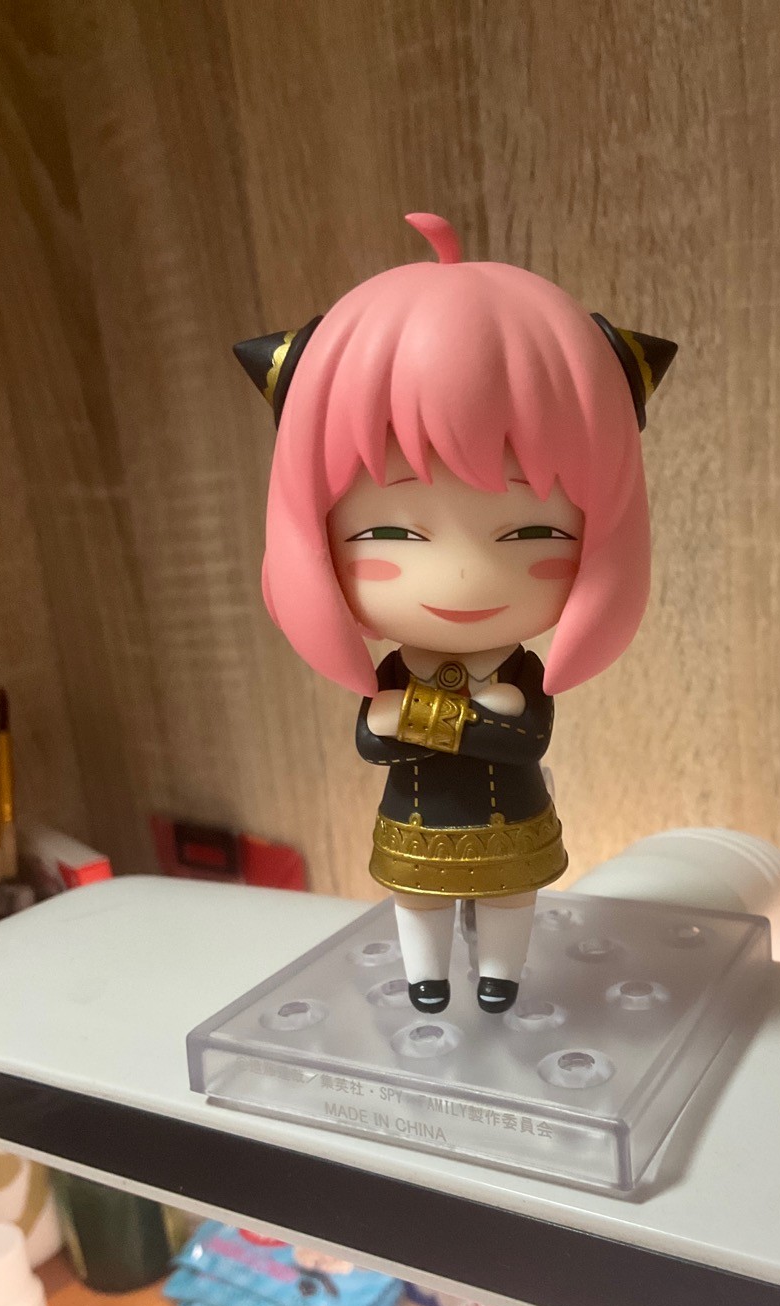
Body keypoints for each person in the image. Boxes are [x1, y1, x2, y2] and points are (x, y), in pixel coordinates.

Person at [236, 213, 675, 1013]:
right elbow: (371, 741)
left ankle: (501, 976)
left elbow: (525, 737)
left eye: (533, 532)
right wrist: (456, 718)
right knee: (417, 902)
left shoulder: (518, 669)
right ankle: (427, 978)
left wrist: (422, 719)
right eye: (390, 533)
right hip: (416, 826)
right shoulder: (397, 668)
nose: (465, 575)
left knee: (511, 900)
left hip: (511, 824)